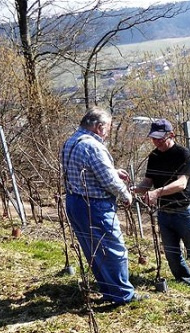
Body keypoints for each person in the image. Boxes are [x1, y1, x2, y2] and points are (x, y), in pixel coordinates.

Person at [61, 107, 143, 306]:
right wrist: (126, 195)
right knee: (114, 250)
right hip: (95, 206)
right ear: (98, 127)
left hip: (75, 201)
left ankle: (108, 290)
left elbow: (87, 169)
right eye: (108, 127)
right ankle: (123, 295)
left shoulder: (72, 141)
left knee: (95, 251)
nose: (108, 131)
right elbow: (109, 181)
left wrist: (114, 170)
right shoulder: (93, 146)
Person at [134, 119, 190, 292]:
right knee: (171, 253)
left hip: (184, 212)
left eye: (159, 138)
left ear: (171, 135)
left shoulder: (183, 154)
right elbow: (148, 182)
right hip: (164, 212)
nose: (156, 142)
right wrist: (133, 190)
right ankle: (185, 282)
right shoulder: (153, 156)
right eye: (153, 138)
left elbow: (181, 184)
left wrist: (157, 193)